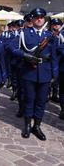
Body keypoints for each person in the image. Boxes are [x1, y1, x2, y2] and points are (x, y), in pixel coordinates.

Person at [11, 8, 58, 141]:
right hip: (29, 72)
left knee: (41, 101)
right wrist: (25, 55)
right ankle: (27, 125)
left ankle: (37, 126)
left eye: (42, 17)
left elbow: (54, 56)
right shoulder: (23, 34)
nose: (39, 19)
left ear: (44, 19)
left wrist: (54, 74)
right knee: (29, 100)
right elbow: (12, 48)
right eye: (37, 17)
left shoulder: (49, 35)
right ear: (32, 19)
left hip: (45, 72)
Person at [49, 18, 63, 103]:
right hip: (50, 61)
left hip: (61, 62)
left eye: (58, 25)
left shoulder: (63, 35)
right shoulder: (48, 35)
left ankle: (55, 94)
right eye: (54, 24)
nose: (56, 26)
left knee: (58, 82)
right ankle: (48, 93)